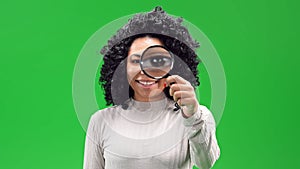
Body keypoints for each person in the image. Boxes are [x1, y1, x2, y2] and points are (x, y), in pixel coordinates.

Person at [83, 6, 220, 169]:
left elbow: (206, 163)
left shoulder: (196, 117)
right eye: (135, 61)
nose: (144, 71)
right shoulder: (101, 121)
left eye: (156, 61)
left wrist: (193, 115)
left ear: (174, 66)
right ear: (122, 67)